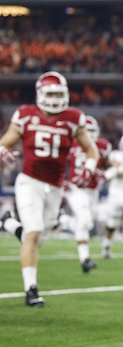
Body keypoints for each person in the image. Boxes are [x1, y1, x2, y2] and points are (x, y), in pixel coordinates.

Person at [0, 71, 99, 307]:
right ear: (40, 94)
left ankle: (8, 223)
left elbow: (91, 149)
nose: (54, 99)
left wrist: (89, 168)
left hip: (55, 187)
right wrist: (2, 151)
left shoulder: (73, 117)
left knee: (37, 239)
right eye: (50, 94)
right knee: (33, 233)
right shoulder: (25, 114)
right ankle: (31, 290)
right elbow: (5, 142)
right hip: (29, 182)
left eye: (58, 94)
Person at [65, 115, 112, 272]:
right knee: (85, 221)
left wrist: (104, 175)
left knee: (85, 225)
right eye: (87, 130)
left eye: (92, 131)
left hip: (93, 192)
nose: (90, 134)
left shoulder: (102, 146)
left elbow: (111, 167)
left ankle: (84, 260)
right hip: (76, 188)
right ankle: (61, 219)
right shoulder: (71, 143)